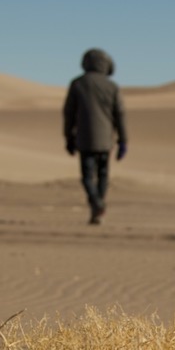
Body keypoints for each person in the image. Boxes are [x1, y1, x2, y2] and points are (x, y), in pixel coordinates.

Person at [63, 48, 127, 224]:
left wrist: (68, 136)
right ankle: (98, 207)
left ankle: (97, 205)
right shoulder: (112, 86)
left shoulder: (78, 84)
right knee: (103, 175)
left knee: (87, 177)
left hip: (84, 139)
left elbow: (68, 113)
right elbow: (120, 114)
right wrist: (123, 140)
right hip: (106, 140)